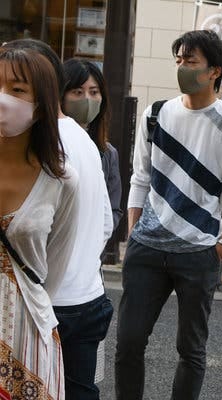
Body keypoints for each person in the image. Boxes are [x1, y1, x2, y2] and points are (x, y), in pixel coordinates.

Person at [115, 30, 222, 400]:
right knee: (128, 342)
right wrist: (132, 234)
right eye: (179, 60)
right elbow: (140, 178)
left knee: (191, 351)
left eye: (190, 61)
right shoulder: (155, 114)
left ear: (215, 71)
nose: (182, 67)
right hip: (147, 247)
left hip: (200, 252)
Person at [3, 39, 113, 400]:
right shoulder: (86, 142)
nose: (6, 98)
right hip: (82, 296)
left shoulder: (57, 162)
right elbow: (104, 225)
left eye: (18, 88)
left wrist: (33, 297)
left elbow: (56, 250)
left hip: (44, 309)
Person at [0, 46, 79, 400]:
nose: (3, 98)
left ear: (41, 103)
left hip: (27, 332)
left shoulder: (61, 180)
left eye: (17, 90)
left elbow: (54, 269)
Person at [62, 58, 122, 234]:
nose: (87, 99)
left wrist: (96, 238)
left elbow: (113, 209)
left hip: (91, 253)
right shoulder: (48, 143)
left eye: (94, 92)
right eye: (78, 92)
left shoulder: (107, 153)